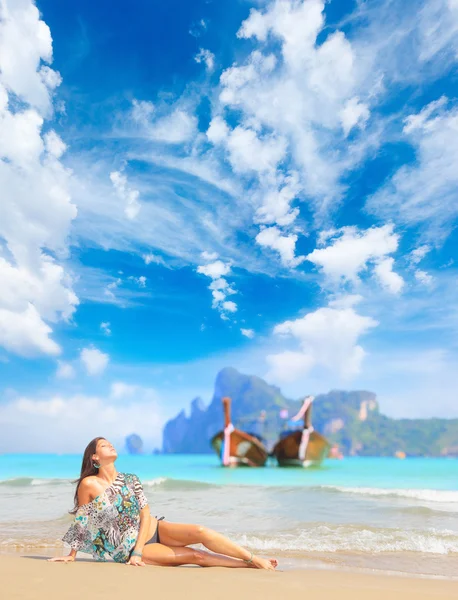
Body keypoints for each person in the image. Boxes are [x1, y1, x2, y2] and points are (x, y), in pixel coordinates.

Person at [49, 437, 278, 569]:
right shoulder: (89, 484)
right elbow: (82, 520)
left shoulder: (131, 479)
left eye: (110, 443)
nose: (111, 445)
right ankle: (249, 566)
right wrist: (72, 555)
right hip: (130, 549)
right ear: (95, 457)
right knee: (196, 556)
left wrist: (140, 546)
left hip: (153, 529)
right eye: (104, 445)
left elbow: (145, 513)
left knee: (201, 531)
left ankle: (253, 558)